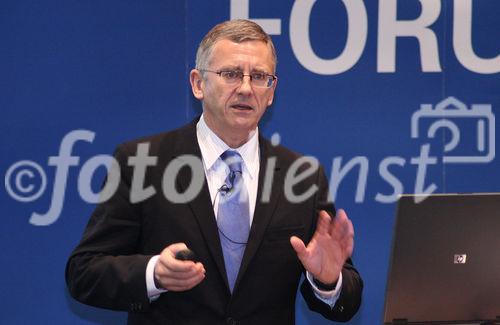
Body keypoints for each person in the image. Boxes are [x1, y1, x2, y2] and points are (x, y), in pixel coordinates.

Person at [66, 19, 363, 324]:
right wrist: (154, 273)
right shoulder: (142, 163)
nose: (246, 88)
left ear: (272, 91)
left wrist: (328, 282)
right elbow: (84, 273)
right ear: (198, 83)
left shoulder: (302, 176)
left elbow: (347, 298)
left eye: (259, 77)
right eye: (231, 74)